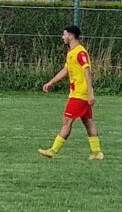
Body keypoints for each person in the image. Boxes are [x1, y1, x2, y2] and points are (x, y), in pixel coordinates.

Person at [38, 25, 103, 160]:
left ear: (71, 36)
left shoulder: (80, 53)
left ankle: (53, 150)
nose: (62, 37)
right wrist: (51, 82)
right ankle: (97, 152)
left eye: (64, 35)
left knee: (67, 120)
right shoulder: (71, 52)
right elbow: (66, 70)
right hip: (77, 93)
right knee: (88, 121)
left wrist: (90, 93)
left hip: (80, 94)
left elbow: (88, 72)